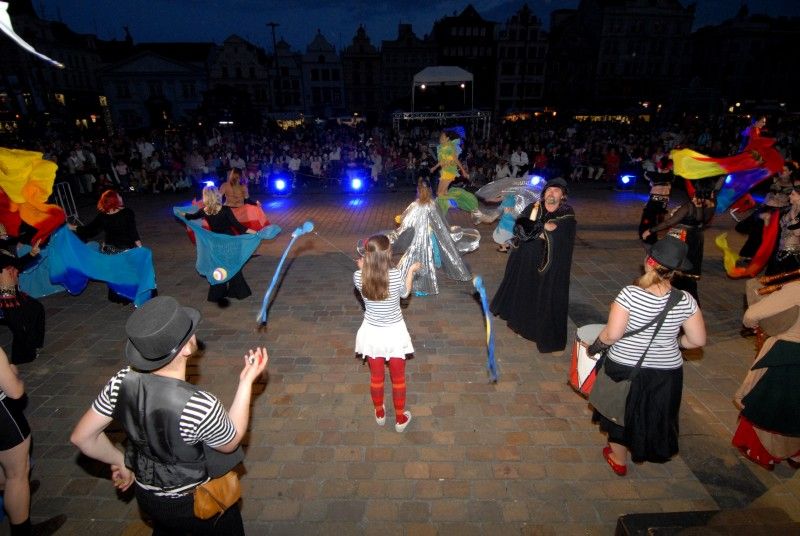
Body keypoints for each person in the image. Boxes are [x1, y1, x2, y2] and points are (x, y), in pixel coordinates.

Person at [70, 296, 268, 534]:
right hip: (196, 504)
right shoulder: (199, 405)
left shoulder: (120, 381)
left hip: (149, 499)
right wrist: (246, 382)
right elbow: (231, 440)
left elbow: (81, 437)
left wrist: (120, 461)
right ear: (185, 348)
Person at [587, 236, 706, 475]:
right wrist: (675, 342)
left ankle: (618, 460)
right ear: (675, 272)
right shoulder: (686, 300)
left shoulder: (630, 294)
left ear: (649, 262)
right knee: (650, 413)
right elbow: (697, 340)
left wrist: (594, 347)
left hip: (625, 367)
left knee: (619, 410)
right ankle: (642, 447)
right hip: (666, 373)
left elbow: (612, 334)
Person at [490, 178, 576, 354]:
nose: (551, 193)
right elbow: (520, 229)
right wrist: (543, 227)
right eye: (549, 190)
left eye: (556, 191)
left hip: (549, 267)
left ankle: (549, 339)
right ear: (544, 193)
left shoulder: (567, 214)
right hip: (525, 262)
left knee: (546, 298)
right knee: (525, 294)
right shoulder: (533, 207)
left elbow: (559, 237)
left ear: (563, 196)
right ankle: (523, 328)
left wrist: (535, 229)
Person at [354, 235, 421, 432]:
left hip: (372, 333)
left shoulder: (358, 276)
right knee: (398, 379)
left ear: (367, 256)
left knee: (376, 378)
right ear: (388, 254)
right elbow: (404, 294)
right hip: (394, 333)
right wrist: (410, 271)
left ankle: (380, 413)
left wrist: (362, 268)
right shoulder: (396, 275)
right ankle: (400, 419)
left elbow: (367, 279)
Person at [733, 280, 800, 470]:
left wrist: (756, 325)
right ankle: (796, 455)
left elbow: (752, 314)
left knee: (768, 404)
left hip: (787, 356)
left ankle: (763, 455)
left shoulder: (796, 289)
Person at [387, 179, 474, 296]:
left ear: (418, 190)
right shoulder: (432, 205)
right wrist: (449, 231)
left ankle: (408, 281)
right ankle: (423, 283)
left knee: (415, 257)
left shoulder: (414, 206)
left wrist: (401, 220)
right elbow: (440, 223)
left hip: (416, 238)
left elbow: (407, 222)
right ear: (430, 190)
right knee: (427, 258)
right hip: (429, 237)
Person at [642, 179, 717, 302]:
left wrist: (650, 230)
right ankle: (690, 300)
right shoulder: (712, 204)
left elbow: (669, 222)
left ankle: (668, 296)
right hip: (696, 237)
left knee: (673, 265)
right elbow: (702, 221)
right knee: (688, 271)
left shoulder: (689, 206)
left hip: (682, 236)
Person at [184, 186, 256, 303]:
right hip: (230, 242)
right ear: (217, 195)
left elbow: (190, 216)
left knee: (219, 267)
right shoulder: (225, 209)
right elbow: (239, 227)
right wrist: (256, 233)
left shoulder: (204, 211)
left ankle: (217, 294)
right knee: (233, 266)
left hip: (216, 244)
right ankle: (239, 292)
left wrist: (181, 213)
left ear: (206, 196)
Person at [69, 190, 143, 304]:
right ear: (114, 200)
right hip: (126, 250)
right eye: (118, 196)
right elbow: (133, 232)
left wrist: (72, 227)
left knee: (116, 275)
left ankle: (119, 296)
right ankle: (133, 295)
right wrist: (140, 248)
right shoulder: (127, 212)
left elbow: (89, 231)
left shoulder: (103, 216)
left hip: (111, 251)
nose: (120, 196)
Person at [0, 226, 44, 364]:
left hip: (15, 292)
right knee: (19, 327)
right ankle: (21, 358)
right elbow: (16, 263)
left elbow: (18, 265)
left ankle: (33, 345)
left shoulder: (4, 248)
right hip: (5, 296)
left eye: (3, 229)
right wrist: (31, 254)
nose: (4, 233)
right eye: (1, 231)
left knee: (36, 309)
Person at [765, 177, 800, 276]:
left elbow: (797, 232)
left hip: (792, 253)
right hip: (781, 249)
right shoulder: (791, 208)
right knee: (773, 279)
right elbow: (781, 224)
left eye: (793, 195)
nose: (790, 196)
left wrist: (793, 216)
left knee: (783, 282)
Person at [638, 157, 673, 245]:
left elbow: (648, 175)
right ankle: (652, 236)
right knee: (657, 219)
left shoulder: (655, 175)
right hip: (664, 201)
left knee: (649, 219)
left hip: (655, 200)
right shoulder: (671, 175)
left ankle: (648, 237)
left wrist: (646, 168)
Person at [430, 129, 469, 197]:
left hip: (450, 172)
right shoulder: (442, 148)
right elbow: (443, 161)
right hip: (444, 171)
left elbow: (456, 160)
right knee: (442, 193)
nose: (440, 138)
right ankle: (448, 205)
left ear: (447, 138)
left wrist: (463, 171)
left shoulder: (450, 147)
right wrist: (434, 167)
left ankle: (447, 205)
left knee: (440, 193)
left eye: (442, 137)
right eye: (440, 137)